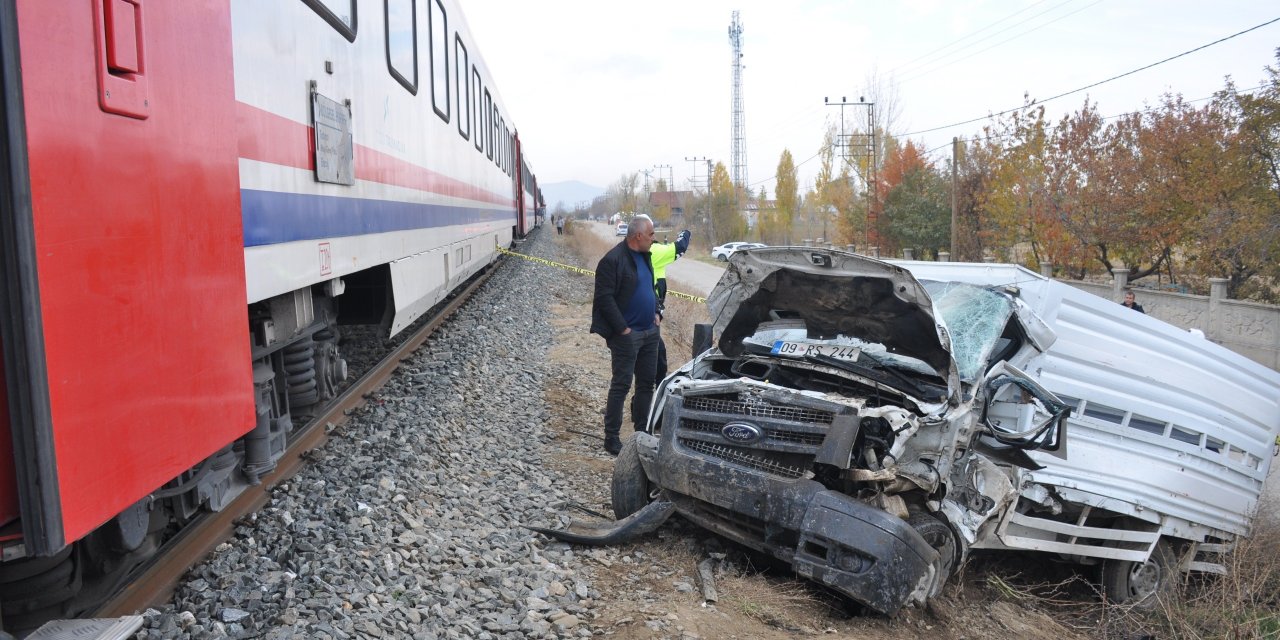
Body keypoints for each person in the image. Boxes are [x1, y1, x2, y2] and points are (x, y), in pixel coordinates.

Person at [590, 215, 661, 455]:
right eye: (651, 234)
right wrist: (622, 329)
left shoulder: (645, 256)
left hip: (650, 333)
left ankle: (641, 433)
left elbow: (650, 288)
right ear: (638, 236)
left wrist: (657, 311)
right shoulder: (612, 260)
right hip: (627, 337)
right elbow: (604, 298)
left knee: (646, 385)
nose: (654, 239)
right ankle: (612, 438)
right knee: (621, 385)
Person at [648, 229, 691, 383]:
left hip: (644, 310)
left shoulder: (631, 251)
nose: (654, 236)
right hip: (649, 313)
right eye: (651, 233)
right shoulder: (654, 250)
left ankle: (647, 391)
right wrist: (685, 233)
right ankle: (655, 391)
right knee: (657, 356)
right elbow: (681, 247)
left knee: (655, 354)